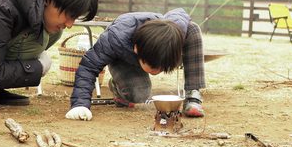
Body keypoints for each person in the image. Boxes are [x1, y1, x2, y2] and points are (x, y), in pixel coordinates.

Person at [65, 8, 205, 120]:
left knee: (192, 29)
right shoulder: (114, 39)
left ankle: (193, 95)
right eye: (153, 66)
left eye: (161, 67)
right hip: (122, 58)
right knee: (139, 93)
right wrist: (80, 104)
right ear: (136, 49)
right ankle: (117, 86)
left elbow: (180, 14)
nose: (157, 72)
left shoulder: (174, 31)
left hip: (155, 44)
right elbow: (88, 67)